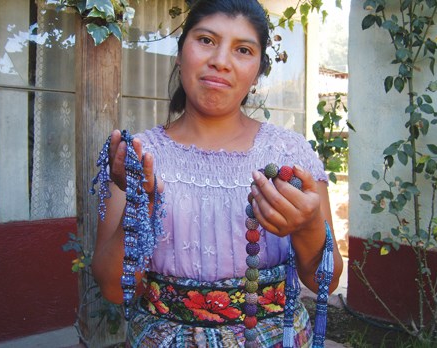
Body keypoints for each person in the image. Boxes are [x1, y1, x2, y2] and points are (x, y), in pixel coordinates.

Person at [91, 0, 343, 346]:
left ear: (258, 70)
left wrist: (309, 226)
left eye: (243, 49)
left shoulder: (289, 155)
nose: (221, 61)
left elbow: (324, 282)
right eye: (206, 40)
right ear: (180, 53)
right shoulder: (136, 158)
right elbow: (112, 290)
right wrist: (141, 205)